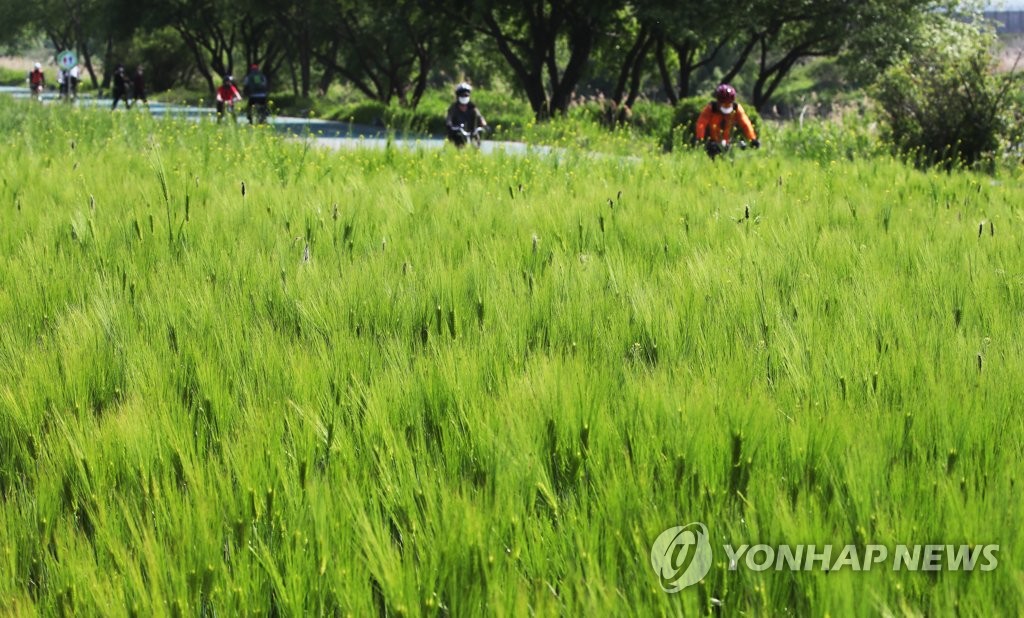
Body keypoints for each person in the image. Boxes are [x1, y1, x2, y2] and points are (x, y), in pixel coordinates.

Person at [695, 83, 760, 159]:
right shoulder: (711, 108)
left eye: (729, 104)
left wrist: (752, 138)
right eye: (724, 104)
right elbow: (701, 123)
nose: (727, 106)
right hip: (712, 141)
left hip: (729, 141)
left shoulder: (736, 108)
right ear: (719, 102)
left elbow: (745, 124)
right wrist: (700, 138)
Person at [445, 82, 487, 147]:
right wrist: (450, 125)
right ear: (458, 96)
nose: (464, 97)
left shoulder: (472, 108)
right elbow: (449, 119)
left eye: (466, 95)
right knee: (455, 143)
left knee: (476, 144)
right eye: (462, 95)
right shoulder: (453, 108)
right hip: (457, 135)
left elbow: (480, 117)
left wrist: (484, 125)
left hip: (472, 134)